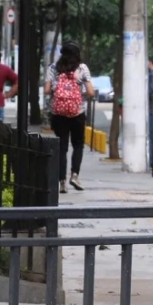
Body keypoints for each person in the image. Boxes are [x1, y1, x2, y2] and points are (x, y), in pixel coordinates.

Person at [44, 41, 95, 194]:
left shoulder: (53, 68)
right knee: (78, 145)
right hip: (77, 113)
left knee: (62, 148)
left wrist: (57, 93)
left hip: (58, 114)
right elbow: (91, 92)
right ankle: (74, 175)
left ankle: (62, 182)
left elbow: (47, 90)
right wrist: (79, 97)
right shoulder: (82, 68)